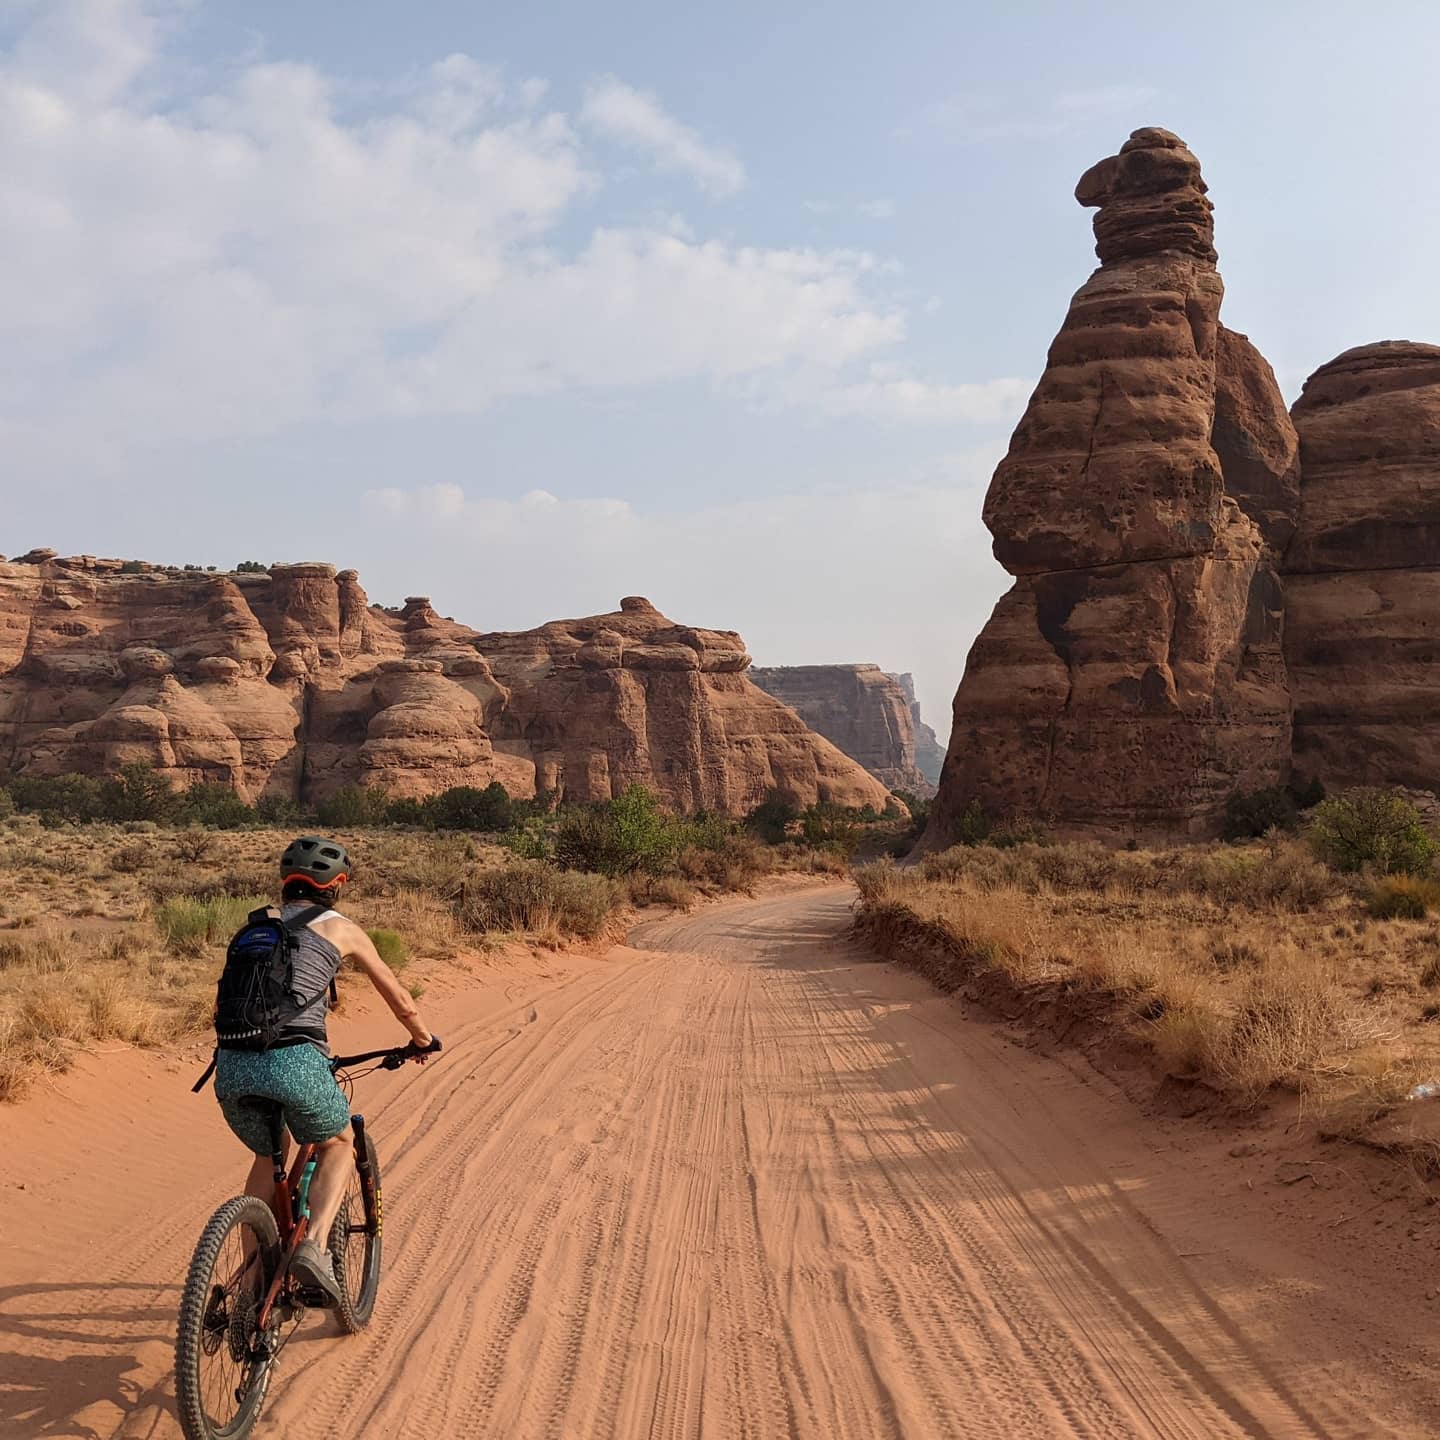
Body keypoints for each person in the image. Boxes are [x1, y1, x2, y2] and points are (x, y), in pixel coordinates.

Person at [212, 835, 436, 1306]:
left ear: (286, 882)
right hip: (294, 1061)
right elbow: (399, 998)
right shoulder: (342, 928)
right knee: (338, 1141)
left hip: (231, 1065)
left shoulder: (255, 927)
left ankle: (250, 1285)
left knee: (266, 1155)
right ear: (336, 885)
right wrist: (421, 1040)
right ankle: (312, 1248)